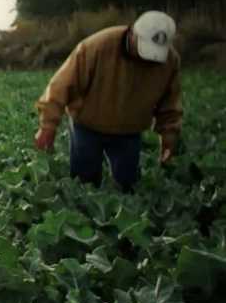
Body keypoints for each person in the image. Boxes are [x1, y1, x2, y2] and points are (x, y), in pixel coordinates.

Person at [34, 10, 183, 191]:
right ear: (133, 34)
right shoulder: (97, 46)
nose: (150, 58)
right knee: (84, 184)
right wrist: (48, 126)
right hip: (87, 126)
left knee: (128, 186)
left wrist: (169, 134)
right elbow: (61, 86)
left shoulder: (169, 61)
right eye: (145, 49)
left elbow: (170, 101)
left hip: (130, 131)